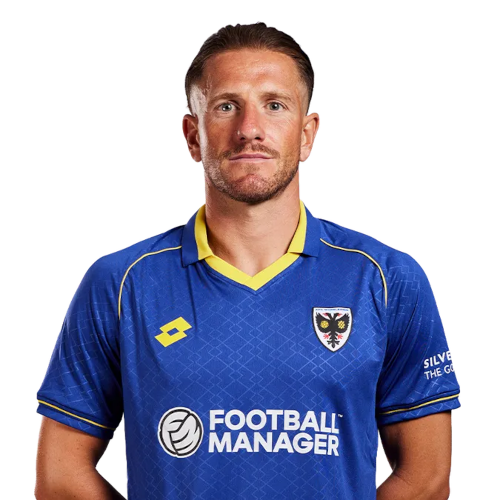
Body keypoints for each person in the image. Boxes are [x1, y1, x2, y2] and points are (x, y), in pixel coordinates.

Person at [34, 21, 460, 499]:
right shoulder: (121, 283)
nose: (249, 130)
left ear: (307, 134)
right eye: (226, 106)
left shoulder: (387, 279)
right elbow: (61, 476)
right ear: (192, 135)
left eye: (274, 105)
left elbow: (426, 478)